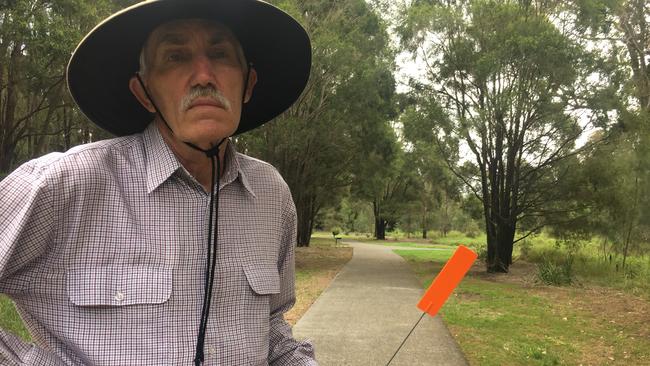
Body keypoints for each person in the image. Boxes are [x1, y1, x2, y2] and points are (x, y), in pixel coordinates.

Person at [0, 0, 316, 365]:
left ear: (248, 85)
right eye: (175, 57)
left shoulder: (271, 194)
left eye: (220, 53)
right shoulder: (64, 185)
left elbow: (273, 327)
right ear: (143, 92)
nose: (203, 75)